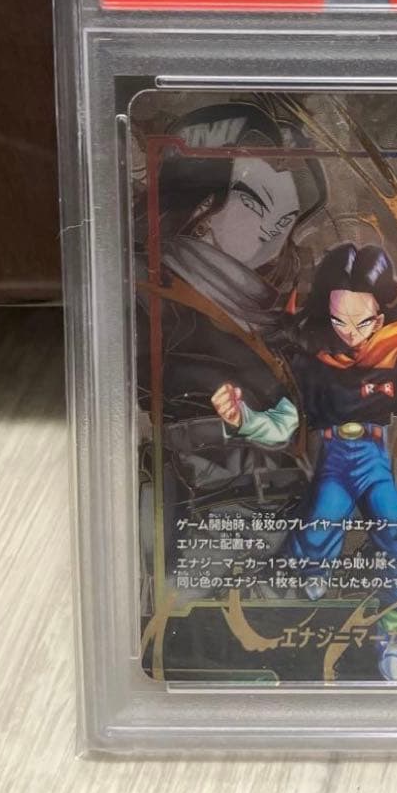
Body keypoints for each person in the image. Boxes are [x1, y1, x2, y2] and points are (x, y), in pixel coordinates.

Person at [211, 243, 397, 681]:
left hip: (373, 463)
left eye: (362, 322)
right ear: (325, 314)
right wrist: (242, 418)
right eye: (339, 320)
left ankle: (394, 632)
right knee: (317, 530)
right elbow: (282, 424)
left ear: (380, 318)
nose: (350, 332)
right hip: (334, 464)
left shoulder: (394, 364)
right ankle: (306, 574)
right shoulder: (311, 365)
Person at [135, 102, 328, 590]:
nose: (269, 234)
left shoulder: (263, 313)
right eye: (255, 205)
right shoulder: (147, 296)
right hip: (197, 533)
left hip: (273, 529)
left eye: (284, 220)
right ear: (201, 202)